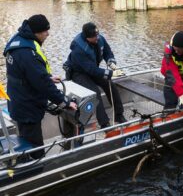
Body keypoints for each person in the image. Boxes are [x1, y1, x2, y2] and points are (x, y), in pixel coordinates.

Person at [3, 14, 77, 159]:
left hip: (18, 99)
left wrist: (48, 77)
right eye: (45, 31)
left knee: (26, 136)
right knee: (35, 145)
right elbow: (43, 84)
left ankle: (27, 160)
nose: (48, 34)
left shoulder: (19, 39)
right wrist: (65, 102)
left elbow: (28, 73)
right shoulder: (27, 53)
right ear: (36, 32)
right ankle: (36, 169)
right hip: (27, 106)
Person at [63, 22, 127, 130]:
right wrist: (111, 74)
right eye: (94, 37)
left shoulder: (99, 38)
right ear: (87, 38)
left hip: (93, 69)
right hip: (79, 73)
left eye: (97, 35)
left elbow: (107, 51)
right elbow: (91, 70)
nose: (97, 38)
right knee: (95, 92)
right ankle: (104, 124)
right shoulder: (78, 49)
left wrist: (112, 63)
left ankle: (119, 115)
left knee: (110, 84)